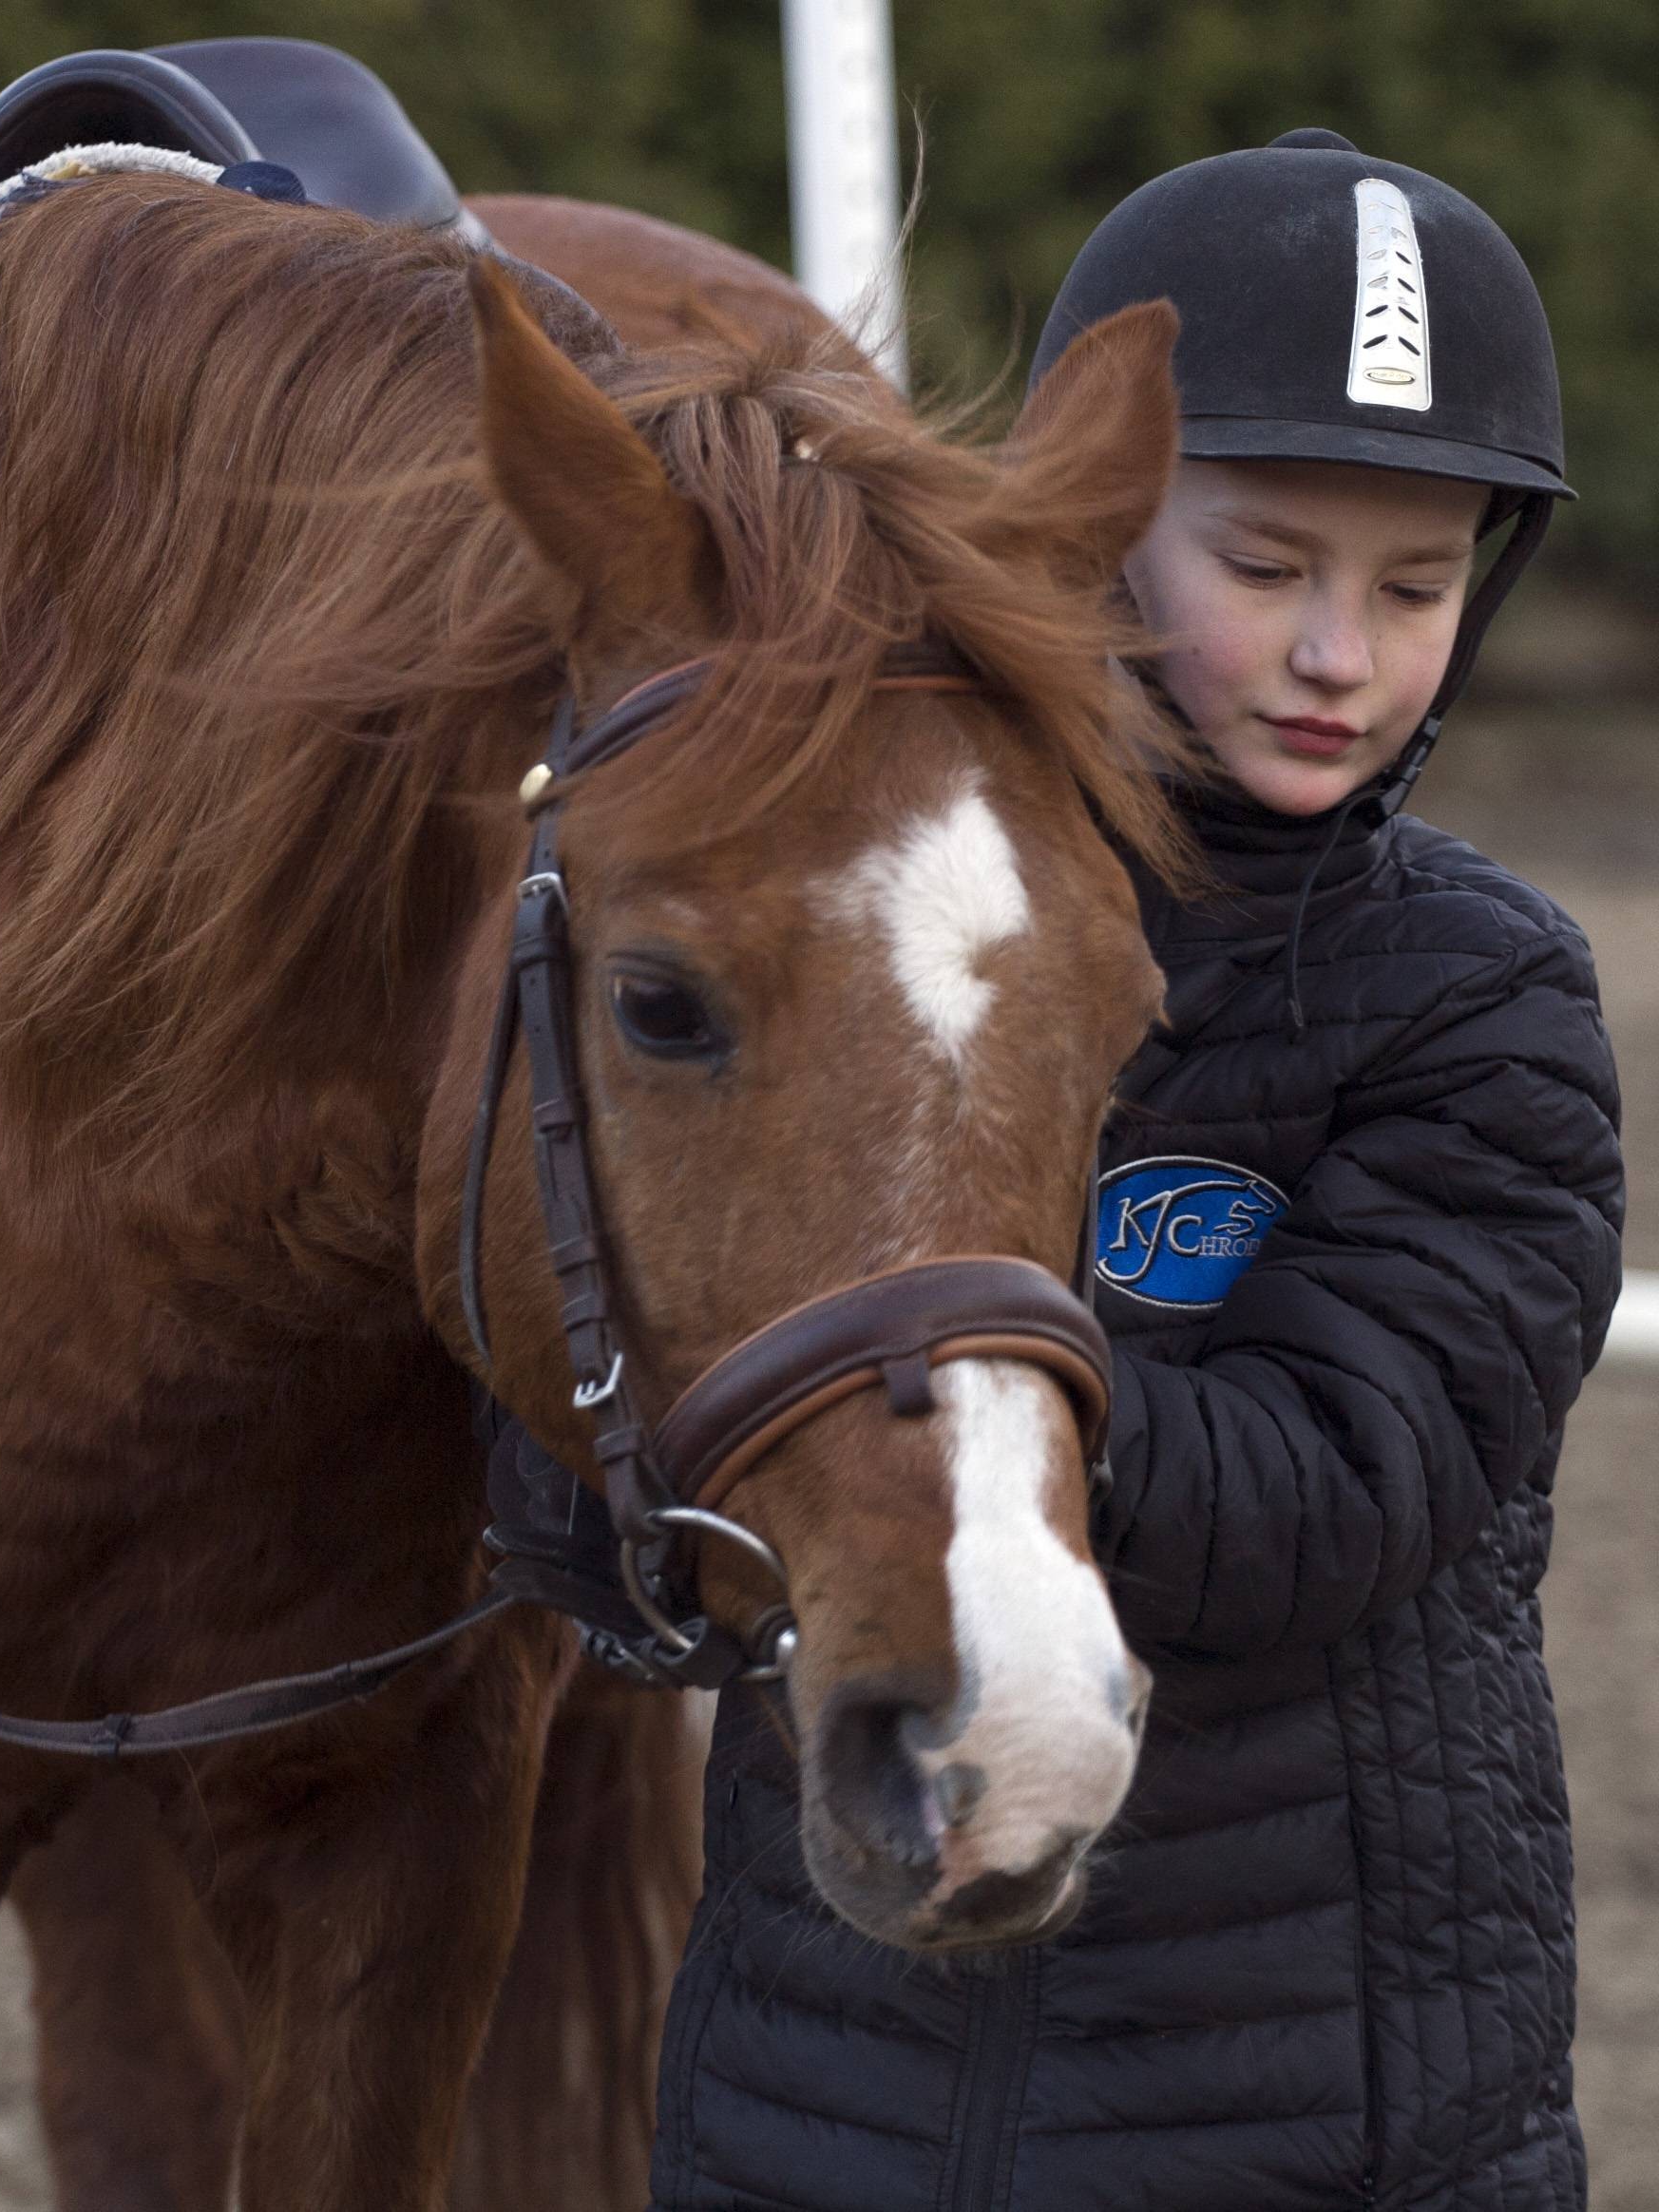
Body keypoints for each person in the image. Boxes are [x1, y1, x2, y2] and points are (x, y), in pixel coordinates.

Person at [644, 130, 1623, 2211]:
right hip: (815, 2095)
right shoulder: (873, 922)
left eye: (1413, 585)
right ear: (1084, 539)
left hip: (1311, 2115)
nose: (1335, 653)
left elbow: (1324, 1493)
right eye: (1261, 567)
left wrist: (898, 1391)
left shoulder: (1479, 997)